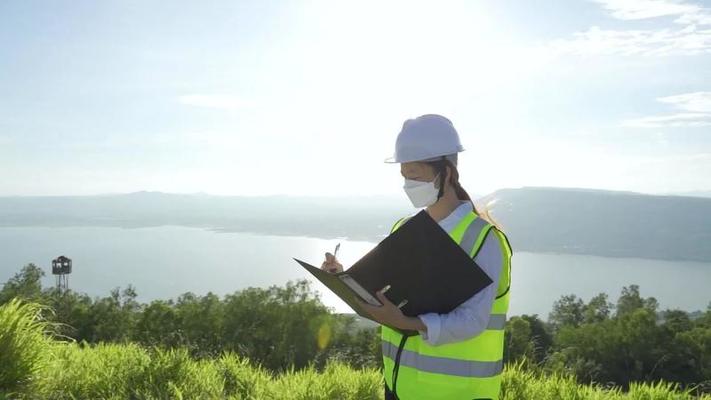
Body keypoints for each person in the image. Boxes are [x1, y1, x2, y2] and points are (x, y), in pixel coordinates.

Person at [322, 114, 512, 400]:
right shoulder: (405, 228)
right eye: (404, 176)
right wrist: (344, 279)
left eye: (415, 175)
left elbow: (473, 321)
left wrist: (407, 323)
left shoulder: (483, 239)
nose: (408, 184)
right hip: (400, 387)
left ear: (447, 173)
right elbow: (387, 295)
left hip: (459, 394)